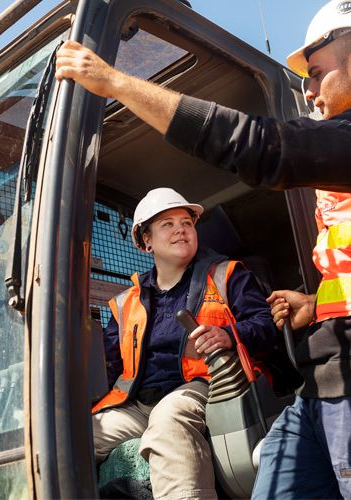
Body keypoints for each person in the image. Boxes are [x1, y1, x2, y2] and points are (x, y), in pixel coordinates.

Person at [56, 0, 351, 497]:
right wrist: (317, 303)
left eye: (317, 73)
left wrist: (116, 84)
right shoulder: (127, 301)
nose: (309, 90)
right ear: (144, 241)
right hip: (331, 379)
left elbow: (266, 149)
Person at [93, 187, 276, 500]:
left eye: (187, 223)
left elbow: (266, 326)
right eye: (168, 224)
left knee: (168, 422)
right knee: (75, 440)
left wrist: (230, 336)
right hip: (137, 405)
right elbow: (110, 367)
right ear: (145, 241)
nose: (181, 229)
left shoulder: (228, 275)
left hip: (206, 387)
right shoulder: (124, 304)